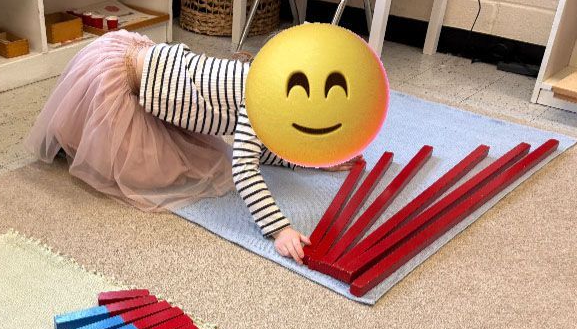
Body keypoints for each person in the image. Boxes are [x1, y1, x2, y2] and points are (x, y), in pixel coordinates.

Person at [24, 29, 361, 263]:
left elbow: (262, 144)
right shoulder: (261, 101)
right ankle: (66, 141)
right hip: (122, 73)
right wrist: (279, 229)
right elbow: (245, 168)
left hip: (157, 70)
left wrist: (309, 162)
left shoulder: (268, 88)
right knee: (142, 169)